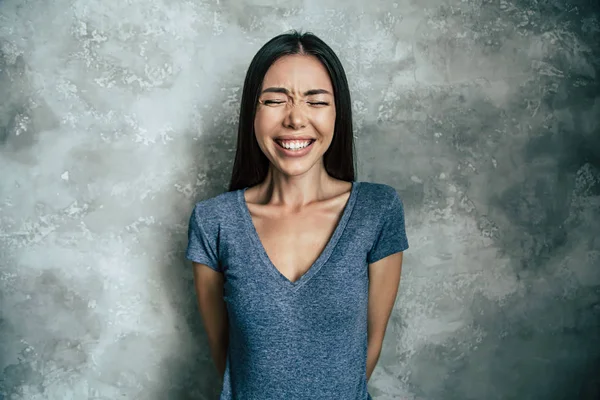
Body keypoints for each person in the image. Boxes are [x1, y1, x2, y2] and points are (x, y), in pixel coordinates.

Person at [186, 30, 409, 400]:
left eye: (316, 102)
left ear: (339, 113)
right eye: (275, 100)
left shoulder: (377, 210)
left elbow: (368, 347)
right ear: (252, 112)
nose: (295, 119)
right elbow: (228, 360)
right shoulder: (214, 222)